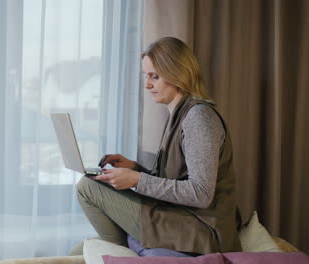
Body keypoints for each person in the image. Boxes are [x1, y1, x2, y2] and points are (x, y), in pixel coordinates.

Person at [76, 37, 242, 256]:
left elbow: (201, 194)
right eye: (146, 76)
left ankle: (119, 253)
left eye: (154, 76)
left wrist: (137, 180)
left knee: (88, 188)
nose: (147, 85)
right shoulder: (179, 114)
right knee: (78, 249)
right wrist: (135, 169)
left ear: (178, 74)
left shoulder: (198, 118)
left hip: (202, 231)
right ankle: (120, 251)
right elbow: (177, 182)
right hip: (179, 218)